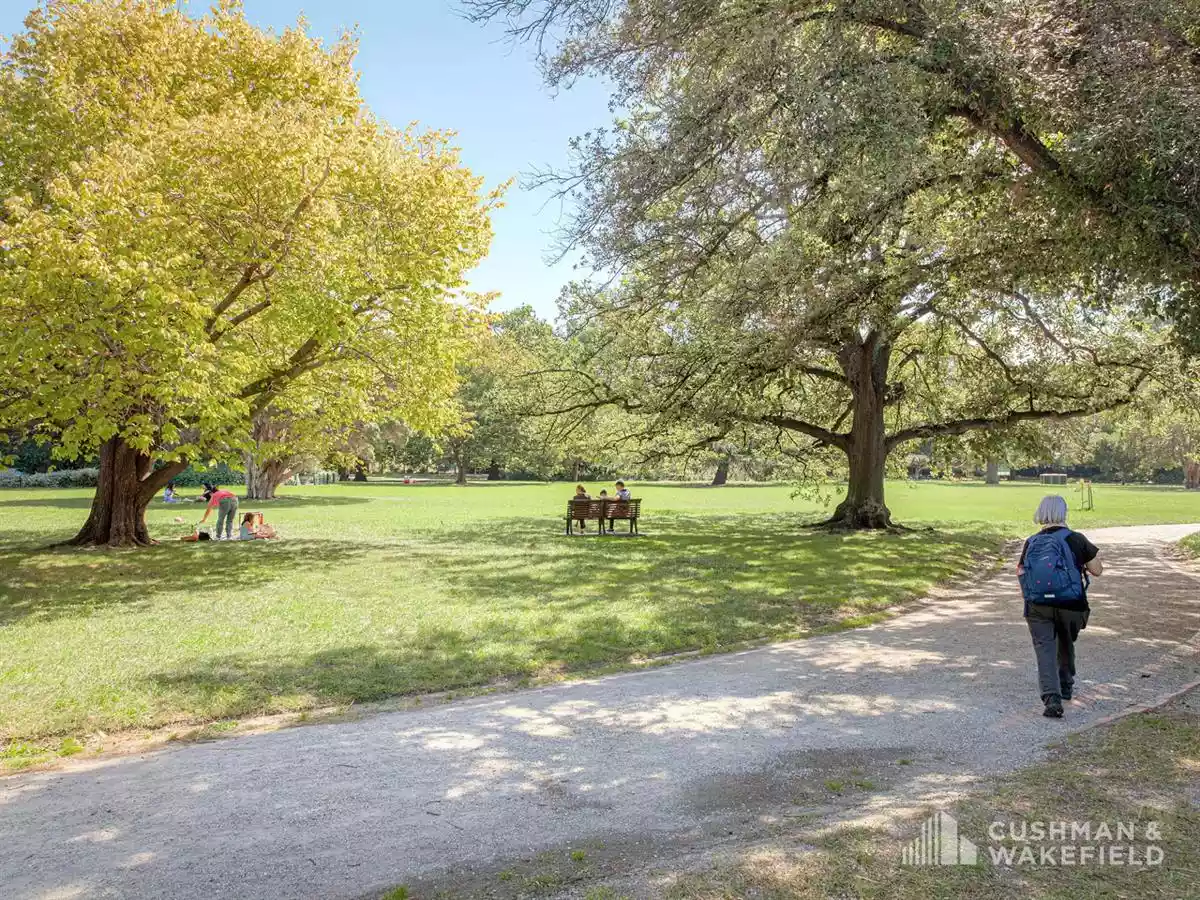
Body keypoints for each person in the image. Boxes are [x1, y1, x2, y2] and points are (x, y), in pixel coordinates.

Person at [1017, 495, 1103, 719]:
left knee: (1044, 649)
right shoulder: (1076, 539)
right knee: (1065, 640)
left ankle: (1051, 697)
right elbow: (1097, 570)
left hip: (1037, 605)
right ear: (1064, 512)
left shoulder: (1032, 542)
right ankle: (1065, 684)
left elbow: (1021, 572)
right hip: (1071, 604)